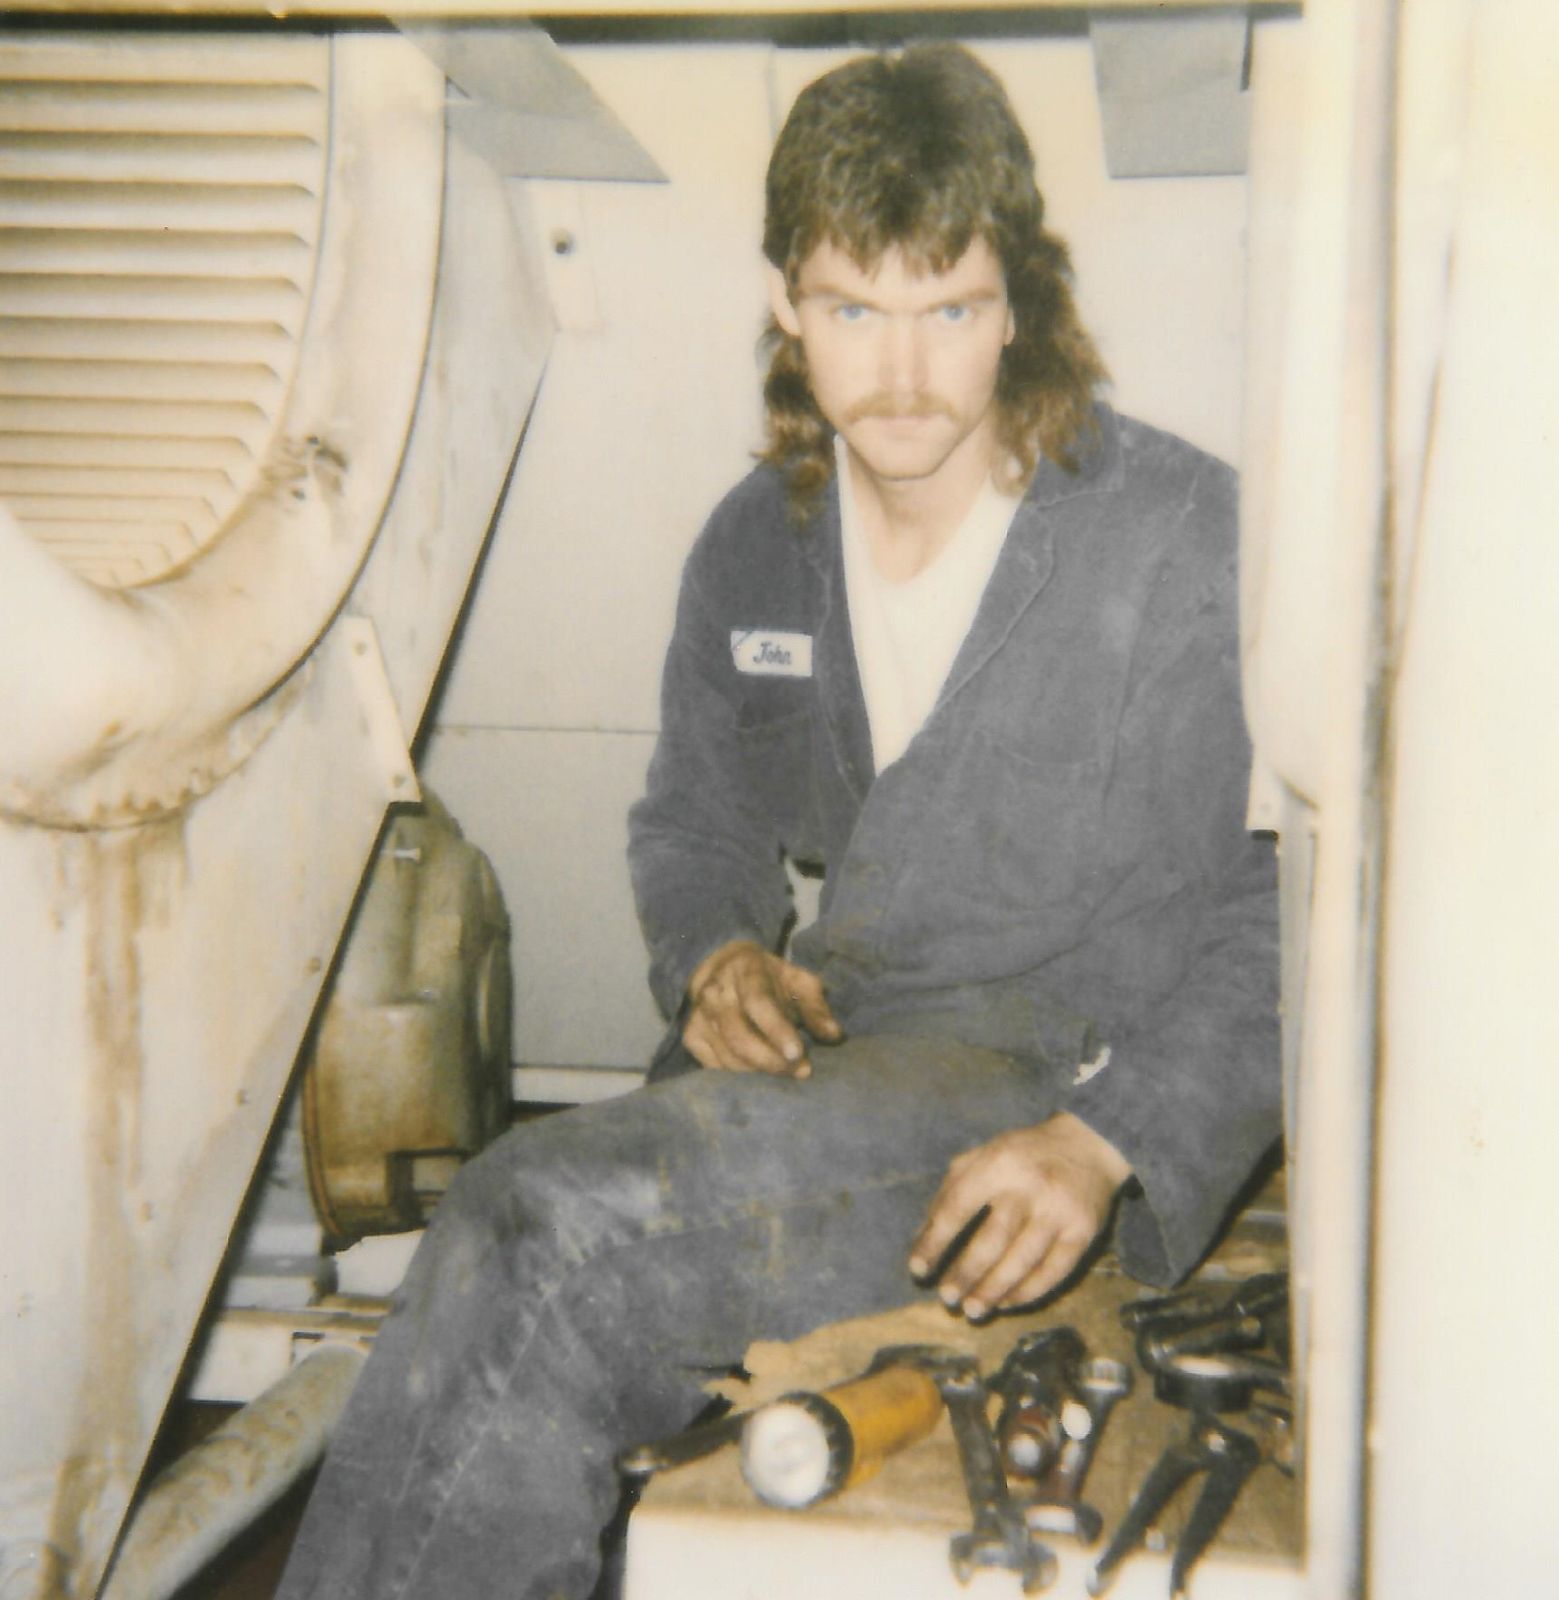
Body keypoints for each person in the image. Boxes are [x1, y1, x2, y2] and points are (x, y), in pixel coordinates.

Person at [278, 42, 1279, 1600]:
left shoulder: (1176, 534)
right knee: (524, 1232)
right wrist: (716, 953)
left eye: (951, 309)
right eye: (853, 311)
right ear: (784, 305)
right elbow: (693, 816)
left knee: (547, 1229)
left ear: (1018, 300)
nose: (904, 371)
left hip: (1051, 1077)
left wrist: (1111, 1140)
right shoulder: (761, 541)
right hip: (845, 1050)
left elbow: (1296, 906)